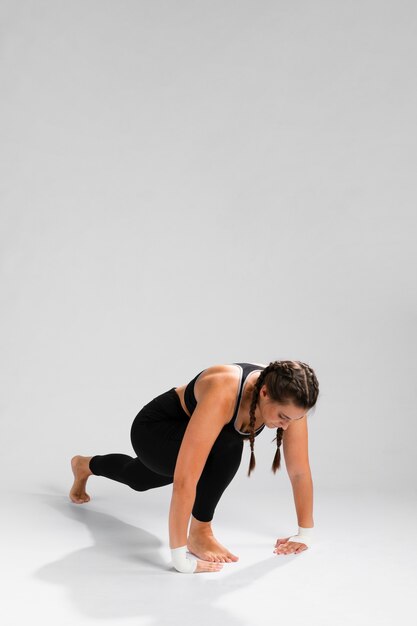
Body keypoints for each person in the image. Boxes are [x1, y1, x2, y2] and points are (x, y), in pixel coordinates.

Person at [69, 360, 319, 574]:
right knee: (227, 442)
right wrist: (179, 559)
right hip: (155, 431)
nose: (287, 426)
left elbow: (298, 471)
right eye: (284, 417)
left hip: (192, 438)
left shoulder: (293, 400)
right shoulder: (225, 391)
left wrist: (303, 535)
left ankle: (84, 465)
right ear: (264, 393)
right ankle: (200, 533)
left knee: (139, 478)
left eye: (294, 419)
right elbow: (185, 480)